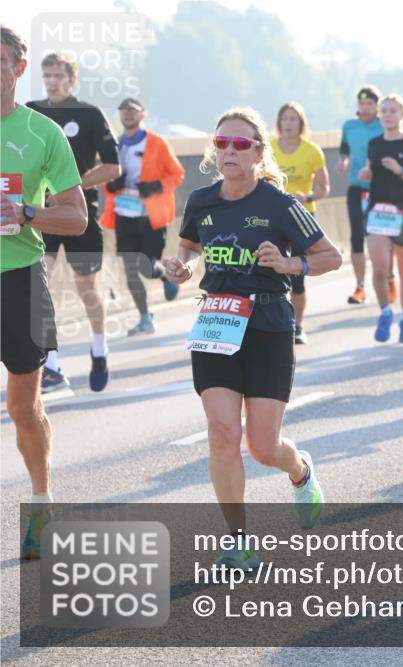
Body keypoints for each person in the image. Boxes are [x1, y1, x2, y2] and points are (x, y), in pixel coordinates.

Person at [163, 107, 342, 570]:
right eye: (222, 143)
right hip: (217, 326)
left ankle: (299, 470)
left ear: (258, 154)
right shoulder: (201, 201)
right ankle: (239, 540)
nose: (229, 151)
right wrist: (182, 265)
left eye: (241, 145)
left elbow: (330, 256)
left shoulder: (279, 204)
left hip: (267, 327)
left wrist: (290, 265)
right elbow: (189, 245)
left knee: (263, 446)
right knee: (223, 434)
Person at [1, 26, 88, 558]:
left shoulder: (42, 133)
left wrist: (29, 212)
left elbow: (77, 218)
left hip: (18, 278)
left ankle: (40, 501)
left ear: (19, 66)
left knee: (23, 405)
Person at [27, 51, 120, 393]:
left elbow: (113, 167)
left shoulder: (90, 115)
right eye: (47, 75)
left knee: (86, 289)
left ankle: (99, 347)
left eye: (58, 75)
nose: (52, 81)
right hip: (42, 214)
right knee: (40, 282)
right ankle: (51, 365)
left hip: (80, 214)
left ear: (72, 79)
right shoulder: (31, 113)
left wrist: (72, 186)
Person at [101, 97, 185, 334]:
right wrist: (111, 184)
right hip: (123, 213)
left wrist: (155, 187)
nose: (127, 114)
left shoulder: (157, 143)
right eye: (123, 110)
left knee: (146, 266)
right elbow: (105, 181)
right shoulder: (115, 146)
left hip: (151, 215)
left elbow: (177, 175)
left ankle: (165, 273)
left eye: (132, 110)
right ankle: (145, 316)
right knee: (129, 267)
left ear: (142, 115)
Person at [358, 94, 403, 343]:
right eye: (384, 110)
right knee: (379, 270)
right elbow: (370, 171)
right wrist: (367, 172)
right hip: (378, 213)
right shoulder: (374, 144)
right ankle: (386, 312)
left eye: (393, 111)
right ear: (379, 115)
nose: (388, 114)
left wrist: (399, 170)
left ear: (402, 115)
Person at [271, 101, 329, 344]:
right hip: (271, 215)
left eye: (293, 119)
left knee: (296, 274)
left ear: (301, 123)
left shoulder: (312, 151)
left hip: (302, 218)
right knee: (269, 272)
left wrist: (308, 197)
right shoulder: (269, 147)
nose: (288, 123)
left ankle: (298, 325)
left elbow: (324, 187)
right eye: (284, 118)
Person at [336, 85, 389, 306]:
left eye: (369, 104)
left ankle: (389, 278)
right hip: (356, 188)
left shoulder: (383, 125)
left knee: (381, 237)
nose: (365, 108)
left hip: (380, 189)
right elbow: (344, 149)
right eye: (362, 104)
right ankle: (360, 287)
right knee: (357, 237)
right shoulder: (349, 126)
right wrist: (343, 162)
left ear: (377, 107)